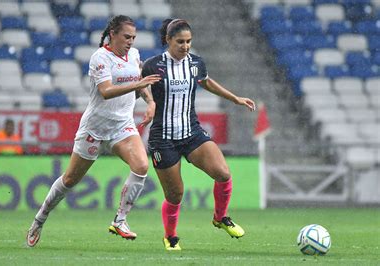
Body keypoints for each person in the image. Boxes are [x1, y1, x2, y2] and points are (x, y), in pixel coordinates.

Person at [26, 15, 161, 247]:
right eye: (126, 37)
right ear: (113, 35)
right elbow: (106, 91)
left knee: (141, 166)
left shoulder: (135, 55)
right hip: (95, 129)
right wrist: (139, 86)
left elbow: (140, 79)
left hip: (122, 127)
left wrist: (149, 101)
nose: (130, 41)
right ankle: (40, 218)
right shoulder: (100, 57)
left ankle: (120, 220)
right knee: (70, 179)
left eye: (133, 37)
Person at [141, 18, 256, 251]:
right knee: (175, 194)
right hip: (163, 138)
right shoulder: (153, 65)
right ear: (168, 40)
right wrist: (150, 101)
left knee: (223, 173)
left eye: (189, 42)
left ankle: (220, 217)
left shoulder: (195, 63)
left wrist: (235, 98)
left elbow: (206, 81)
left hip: (191, 132)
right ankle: (171, 237)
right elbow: (140, 84)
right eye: (180, 42)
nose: (185, 46)